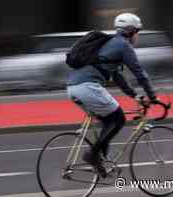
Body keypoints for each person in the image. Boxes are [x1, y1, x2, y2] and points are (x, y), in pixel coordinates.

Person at [66, 13, 158, 177]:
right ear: (130, 31)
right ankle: (92, 154)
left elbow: (117, 76)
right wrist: (153, 96)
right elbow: (139, 73)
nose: (138, 36)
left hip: (73, 87)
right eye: (137, 32)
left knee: (108, 121)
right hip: (88, 87)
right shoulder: (123, 46)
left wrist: (135, 95)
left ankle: (100, 162)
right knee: (119, 119)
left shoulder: (110, 44)